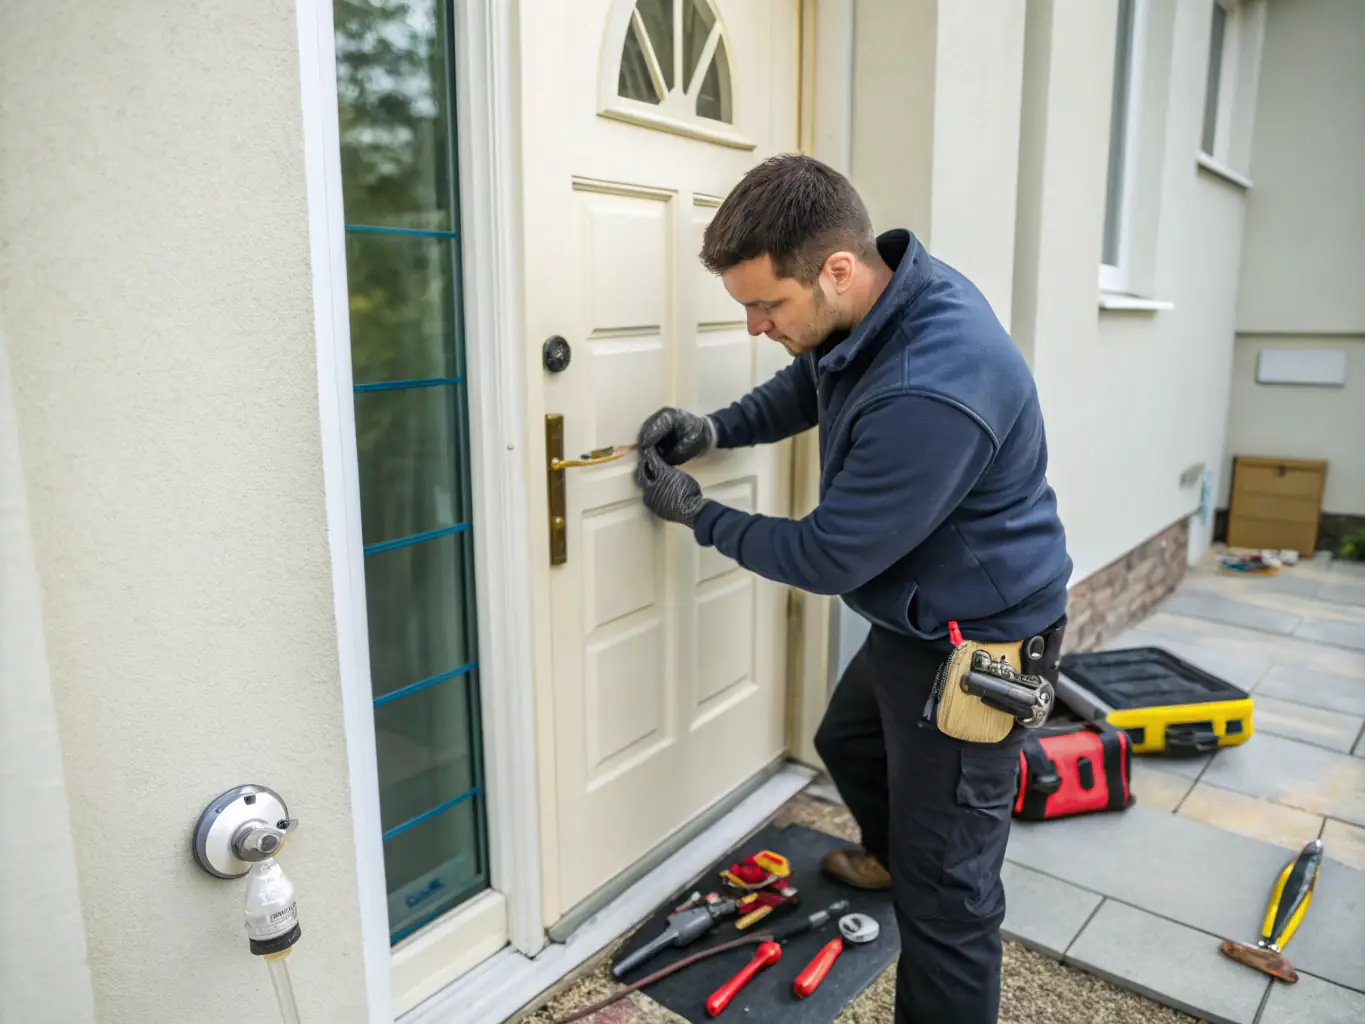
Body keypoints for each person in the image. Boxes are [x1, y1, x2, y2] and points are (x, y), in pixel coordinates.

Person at [633, 154, 1072, 1024]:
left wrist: (698, 515)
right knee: (851, 742)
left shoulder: (931, 386)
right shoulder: (882, 301)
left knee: (949, 897)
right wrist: (715, 427)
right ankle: (892, 849)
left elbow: (829, 558)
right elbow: (814, 374)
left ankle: (921, 878)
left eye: (768, 304)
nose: (756, 326)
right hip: (918, 618)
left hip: (976, 648)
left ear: (835, 269)